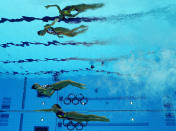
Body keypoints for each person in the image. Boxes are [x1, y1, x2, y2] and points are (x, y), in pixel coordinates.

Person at [35, 104, 110, 123]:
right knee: (87, 119)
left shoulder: (57, 109)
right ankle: (102, 119)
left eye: (53, 106)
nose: (52, 108)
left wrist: (39, 110)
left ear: (55, 107)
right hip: (72, 118)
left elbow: (47, 110)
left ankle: (101, 117)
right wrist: (75, 120)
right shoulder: (57, 113)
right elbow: (65, 118)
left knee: (87, 116)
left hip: (71, 114)